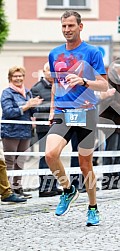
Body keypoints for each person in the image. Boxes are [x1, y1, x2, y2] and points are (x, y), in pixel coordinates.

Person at [45, 10, 108, 226]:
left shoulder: (92, 52)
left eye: (71, 25)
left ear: (80, 27)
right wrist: (53, 109)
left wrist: (83, 81)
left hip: (86, 111)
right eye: (64, 26)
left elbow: (104, 84)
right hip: (63, 112)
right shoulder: (54, 54)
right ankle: (68, 189)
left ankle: (93, 207)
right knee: (50, 154)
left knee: (84, 165)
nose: (67, 30)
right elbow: (55, 83)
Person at [1, 66, 43, 198]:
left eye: (20, 76)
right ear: (10, 78)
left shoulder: (28, 92)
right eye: (15, 76)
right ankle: (8, 191)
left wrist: (35, 106)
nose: (18, 78)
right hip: (11, 132)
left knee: (20, 161)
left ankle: (18, 188)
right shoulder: (7, 93)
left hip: (26, 131)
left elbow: (31, 112)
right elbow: (8, 112)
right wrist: (26, 106)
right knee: (10, 161)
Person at [99, 57, 120, 190]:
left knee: (116, 152)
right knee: (111, 152)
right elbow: (109, 102)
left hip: (117, 122)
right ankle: (107, 181)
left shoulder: (117, 80)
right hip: (110, 121)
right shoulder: (110, 80)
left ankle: (114, 180)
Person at [30, 62, 63, 197]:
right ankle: (44, 188)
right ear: (43, 72)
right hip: (44, 128)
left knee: (55, 157)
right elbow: (34, 109)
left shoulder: (60, 86)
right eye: (48, 70)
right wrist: (53, 108)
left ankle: (53, 185)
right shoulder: (37, 88)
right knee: (45, 158)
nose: (51, 73)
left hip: (57, 128)